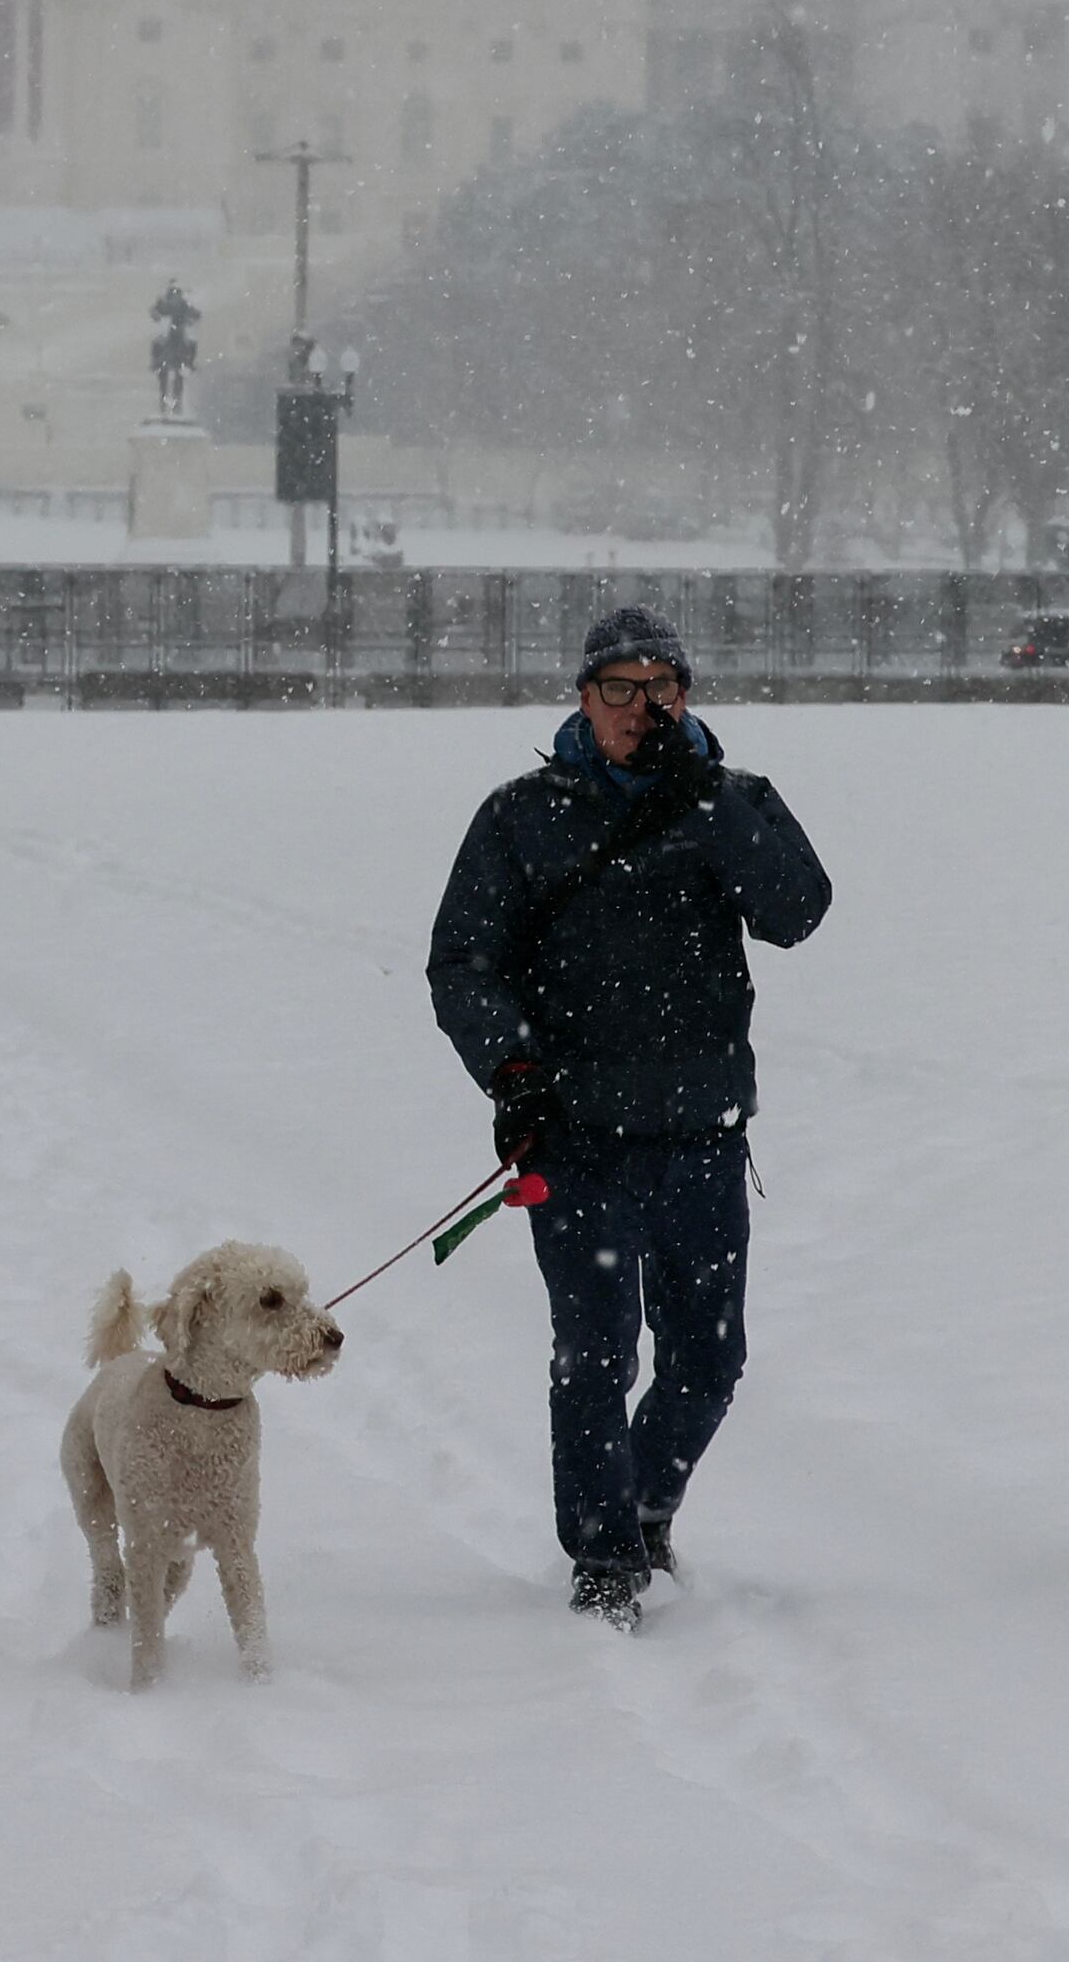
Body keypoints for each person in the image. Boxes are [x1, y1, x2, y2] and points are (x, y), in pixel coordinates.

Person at [425, 604, 832, 1629]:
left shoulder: (733, 799)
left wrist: (714, 803)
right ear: (583, 696)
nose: (642, 707)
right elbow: (463, 960)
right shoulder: (523, 814)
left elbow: (797, 910)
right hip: (576, 1134)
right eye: (621, 687)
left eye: (663, 687)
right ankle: (603, 1554)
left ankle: (649, 1503)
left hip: (701, 1133)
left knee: (709, 1354)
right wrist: (512, 1070)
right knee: (596, 1350)